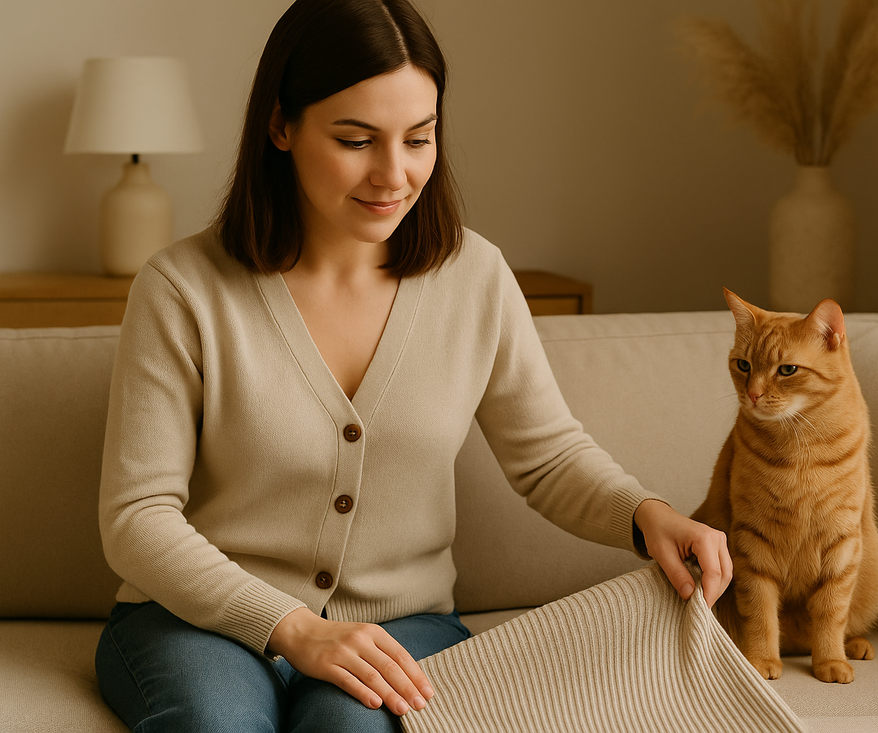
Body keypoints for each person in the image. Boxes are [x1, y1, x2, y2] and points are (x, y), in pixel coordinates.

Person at [94, 0, 733, 731]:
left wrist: (645, 514)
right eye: (356, 140)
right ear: (281, 126)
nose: (393, 174)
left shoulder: (476, 277)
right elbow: (137, 517)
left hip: (405, 623)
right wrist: (293, 626)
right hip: (196, 622)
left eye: (419, 139)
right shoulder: (182, 287)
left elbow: (547, 457)